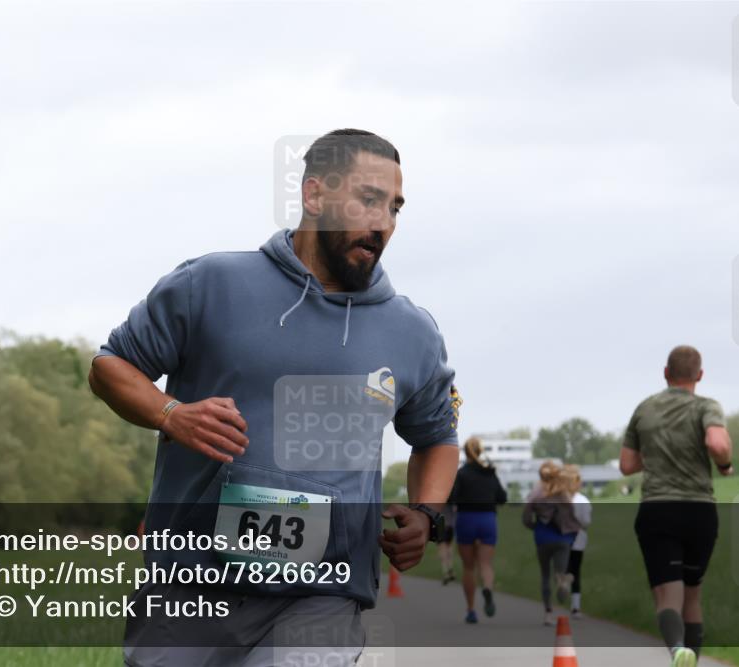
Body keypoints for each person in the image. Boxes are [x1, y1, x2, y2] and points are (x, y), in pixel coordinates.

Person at [89, 129, 463, 667]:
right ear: (314, 196)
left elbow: (437, 438)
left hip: (321, 594)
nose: (383, 223)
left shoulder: (412, 332)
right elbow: (109, 367)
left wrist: (427, 514)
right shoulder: (211, 284)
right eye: (368, 199)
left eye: (395, 208)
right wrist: (171, 414)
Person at [620, 345, 733, 667]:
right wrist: (725, 465)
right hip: (699, 511)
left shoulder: (645, 408)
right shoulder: (707, 407)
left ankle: (676, 650)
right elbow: (717, 443)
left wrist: (658, 454)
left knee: (668, 594)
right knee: (692, 593)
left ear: (666, 373)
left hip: (658, 509)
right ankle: (692, 659)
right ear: (699, 375)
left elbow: (627, 464)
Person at [450, 436, 508, 623]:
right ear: (481, 451)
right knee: (485, 564)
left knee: (469, 567)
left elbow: (452, 498)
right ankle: (488, 589)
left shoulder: (462, 473)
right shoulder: (490, 473)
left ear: (465, 452)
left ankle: (471, 610)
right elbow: (502, 497)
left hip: (466, 519)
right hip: (487, 519)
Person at [522, 461, 582, 626]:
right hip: (562, 538)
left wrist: (534, 526)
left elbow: (526, 518)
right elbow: (571, 516)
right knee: (560, 572)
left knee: (545, 575)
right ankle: (563, 582)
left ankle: (548, 613)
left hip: (542, 536)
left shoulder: (536, 493)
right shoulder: (562, 493)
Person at [562, 464, 591, 618]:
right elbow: (586, 521)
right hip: (579, 539)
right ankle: (575, 607)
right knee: (576, 572)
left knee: (565, 568)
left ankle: (563, 584)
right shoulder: (582, 500)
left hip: (562, 538)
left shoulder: (560, 499)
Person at [437, 501, 457, 585]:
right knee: (449, 547)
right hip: (450, 526)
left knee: (442, 548)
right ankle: (450, 568)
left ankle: (445, 572)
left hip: (441, 525)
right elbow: (455, 509)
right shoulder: (452, 497)